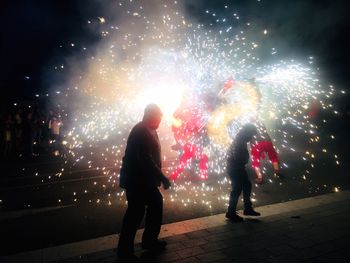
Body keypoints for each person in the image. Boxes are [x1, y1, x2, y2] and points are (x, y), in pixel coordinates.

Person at [117, 103, 171, 262]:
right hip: (136, 180)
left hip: (145, 180)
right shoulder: (141, 131)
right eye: (158, 118)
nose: (160, 122)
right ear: (150, 116)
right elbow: (146, 159)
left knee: (154, 205)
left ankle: (149, 241)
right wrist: (162, 176)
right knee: (135, 213)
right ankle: (125, 251)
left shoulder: (150, 129)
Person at [226, 123, 260, 222]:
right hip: (235, 167)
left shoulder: (241, 139)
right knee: (237, 189)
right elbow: (238, 156)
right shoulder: (240, 141)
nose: (252, 137)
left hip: (236, 166)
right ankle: (231, 212)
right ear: (248, 133)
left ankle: (247, 209)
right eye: (252, 135)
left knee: (246, 185)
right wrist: (245, 160)